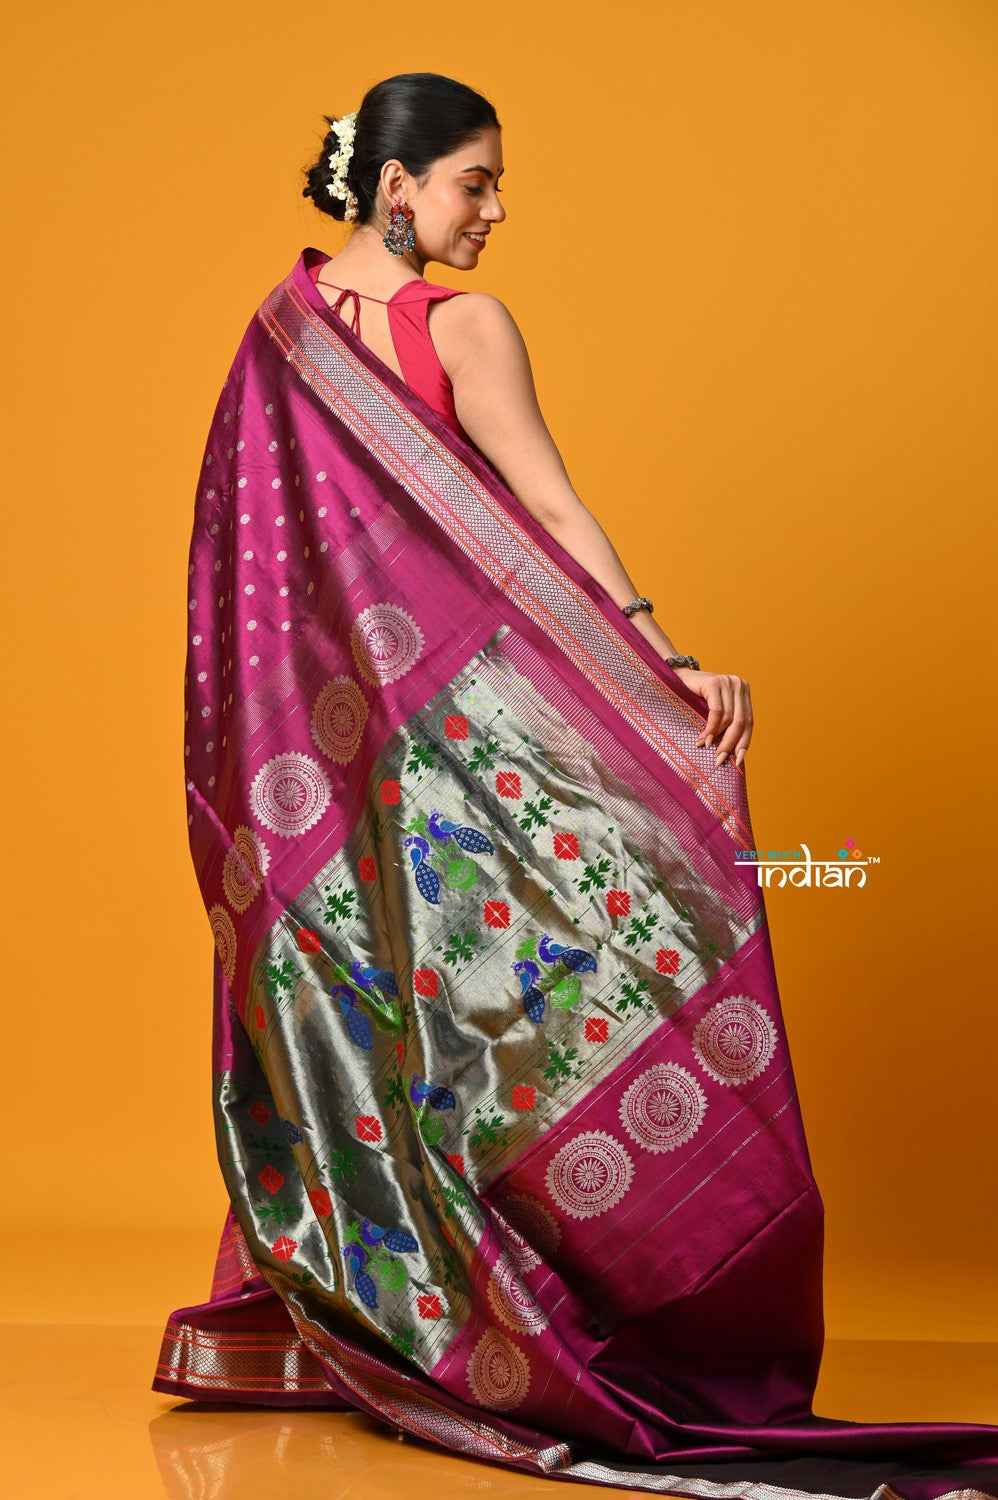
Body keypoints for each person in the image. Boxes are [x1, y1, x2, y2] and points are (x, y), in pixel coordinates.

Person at [153, 72, 997, 1498]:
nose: (495, 210)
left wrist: (644, 669)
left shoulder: (279, 332)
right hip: (452, 750)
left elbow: (252, 599)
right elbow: (544, 505)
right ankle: (587, 1309)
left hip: (338, 783)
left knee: (411, 1014)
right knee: (517, 995)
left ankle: (448, 1310)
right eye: (474, 181)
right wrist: (664, 658)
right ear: (396, 184)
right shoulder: (441, 326)